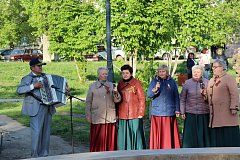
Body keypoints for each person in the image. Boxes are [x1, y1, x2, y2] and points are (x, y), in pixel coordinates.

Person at [16, 58, 59, 157]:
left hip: (48, 107)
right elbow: (19, 90)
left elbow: (54, 88)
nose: (41, 68)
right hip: (35, 108)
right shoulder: (28, 78)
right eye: (38, 66)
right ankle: (35, 156)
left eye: (41, 66)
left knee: (46, 133)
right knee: (37, 132)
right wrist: (33, 86)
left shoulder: (46, 77)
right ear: (32, 68)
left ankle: (44, 155)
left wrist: (65, 87)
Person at [85, 67, 121, 152]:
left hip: (110, 117)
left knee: (110, 139)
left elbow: (117, 100)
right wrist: (88, 115)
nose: (105, 76)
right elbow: (88, 102)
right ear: (98, 75)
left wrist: (116, 93)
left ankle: (110, 156)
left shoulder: (111, 85)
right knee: (97, 139)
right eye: (103, 74)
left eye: (106, 74)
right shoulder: (92, 86)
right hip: (97, 116)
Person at [207, 59, 240, 147]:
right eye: (212, 67)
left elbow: (235, 93)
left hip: (227, 113)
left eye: (215, 67)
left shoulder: (229, 78)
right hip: (215, 115)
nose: (213, 69)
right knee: (218, 138)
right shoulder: (211, 80)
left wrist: (234, 107)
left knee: (228, 135)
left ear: (222, 68)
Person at [147, 65, 181, 149]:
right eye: (159, 71)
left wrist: (177, 109)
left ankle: (169, 147)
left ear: (167, 72)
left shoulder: (172, 82)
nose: (161, 73)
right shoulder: (154, 82)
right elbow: (149, 95)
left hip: (169, 112)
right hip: (157, 112)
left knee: (168, 133)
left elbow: (176, 96)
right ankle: (158, 148)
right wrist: (155, 90)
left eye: (163, 71)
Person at [180, 65, 210, 148]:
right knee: (190, 136)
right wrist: (182, 111)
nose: (196, 74)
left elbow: (211, 99)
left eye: (198, 72)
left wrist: (205, 95)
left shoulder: (207, 82)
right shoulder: (187, 83)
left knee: (203, 134)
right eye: (194, 72)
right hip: (190, 113)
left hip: (204, 112)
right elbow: (182, 98)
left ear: (202, 73)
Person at [117, 64, 146, 150]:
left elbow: (142, 98)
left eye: (127, 73)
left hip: (134, 113)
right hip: (123, 113)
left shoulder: (136, 83)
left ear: (131, 73)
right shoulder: (120, 83)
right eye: (123, 73)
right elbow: (117, 99)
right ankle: (124, 151)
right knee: (124, 134)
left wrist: (141, 112)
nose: (125, 75)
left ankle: (137, 151)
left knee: (135, 132)